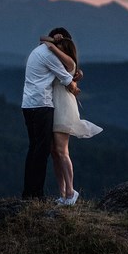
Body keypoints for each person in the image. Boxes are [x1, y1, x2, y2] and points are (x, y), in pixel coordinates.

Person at [40, 34, 103, 206]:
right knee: (54, 153)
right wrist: (53, 41)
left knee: (61, 151)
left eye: (61, 48)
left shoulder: (69, 64)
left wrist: (53, 46)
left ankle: (70, 191)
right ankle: (63, 193)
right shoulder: (57, 65)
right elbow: (42, 39)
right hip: (55, 108)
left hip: (63, 108)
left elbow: (48, 45)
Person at [21, 27, 79, 200]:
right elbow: (67, 80)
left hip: (28, 104)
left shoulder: (37, 51)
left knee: (33, 149)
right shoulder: (49, 55)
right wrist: (75, 85)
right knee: (42, 150)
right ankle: (36, 194)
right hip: (42, 105)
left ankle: (29, 192)